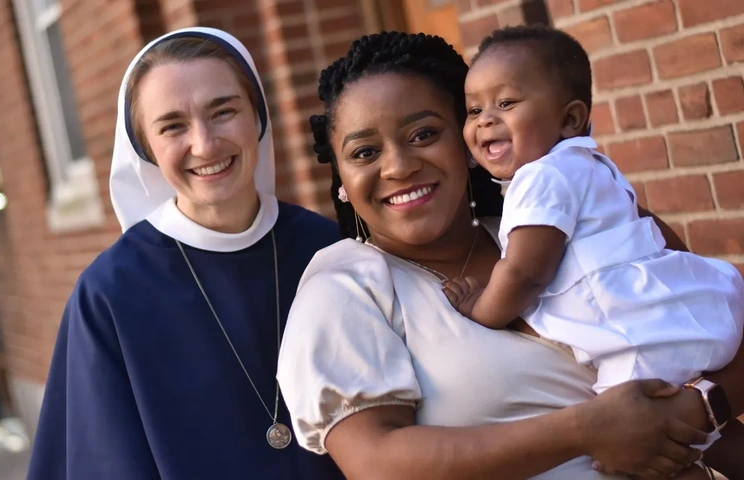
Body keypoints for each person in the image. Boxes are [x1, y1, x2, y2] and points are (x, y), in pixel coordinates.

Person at [277, 31, 744, 479]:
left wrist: (698, 407)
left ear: (468, 141)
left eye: (423, 134)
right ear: (340, 177)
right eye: (364, 152)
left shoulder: (564, 220)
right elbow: (377, 463)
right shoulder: (344, 288)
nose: (398, 165)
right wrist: (585, 430)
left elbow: (721, 325)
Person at [26, 27, 343, 480]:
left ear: (257, 116)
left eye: (223, 111)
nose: (205, 144)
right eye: (173, 126)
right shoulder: (111, 293)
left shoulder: (327, 250)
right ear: (145, 147)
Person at [442, 24, 744, 479]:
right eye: (473, 109)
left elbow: (525, 272)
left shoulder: (539, 178)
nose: (485, 120)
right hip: (675, 314)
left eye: (505, 103)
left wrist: (480, 310)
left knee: (642, 442)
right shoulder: (590, 164)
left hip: (635, 340)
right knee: (710, 437)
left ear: (569, 118)